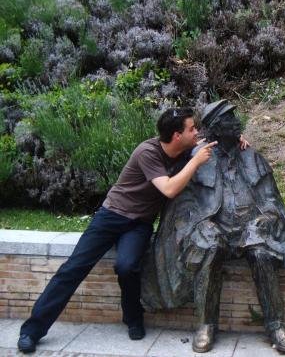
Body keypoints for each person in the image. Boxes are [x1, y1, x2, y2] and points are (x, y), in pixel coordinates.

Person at [17, 107, 224, 353]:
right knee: (73, 268)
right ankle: (32, 331)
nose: (196, 132)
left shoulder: (184, 149)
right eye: (192, 129)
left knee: (127, 266)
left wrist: (241, 140)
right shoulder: (148, 152)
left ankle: (133, 319)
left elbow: (215, 140)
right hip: (111, 216)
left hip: (139, 224)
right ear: (177, 135)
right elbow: (168, 189)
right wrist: (195, 162)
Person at [141, 100, 285, 354]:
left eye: (235, 118)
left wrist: (264, 221)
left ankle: (277, 325)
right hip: (216, 230)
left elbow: (272, 201)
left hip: (250, 230)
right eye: (229, 120)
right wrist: (200, 224)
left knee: (260, 249)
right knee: (211, 247)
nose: (236, 123)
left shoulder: (252, 156)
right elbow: (182, 205)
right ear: (216, 129)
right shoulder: (198, 160)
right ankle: (205, 326)